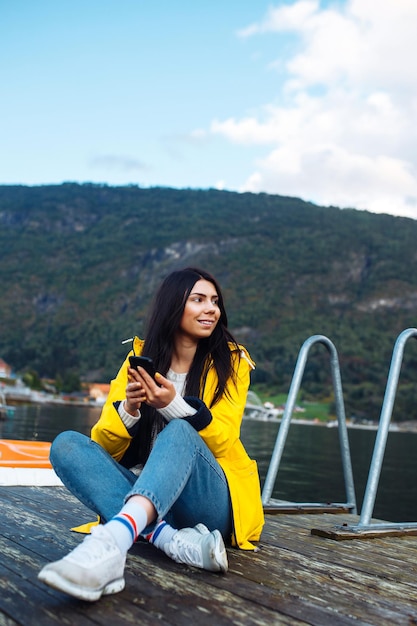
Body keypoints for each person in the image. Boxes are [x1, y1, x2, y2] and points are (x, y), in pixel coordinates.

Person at [38, 267, 264, 602]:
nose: (211, 309)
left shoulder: (233, 363)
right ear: (174, 306)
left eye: (214, 301)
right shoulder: (138, 360)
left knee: (179, 430)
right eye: (198, 299)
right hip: (155, 502)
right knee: (67, 446)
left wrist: (175, 406)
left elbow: (225, 439)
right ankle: (168, 539)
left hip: (209, 504)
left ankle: (114, 540)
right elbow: (102, 448)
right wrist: (129, 410)